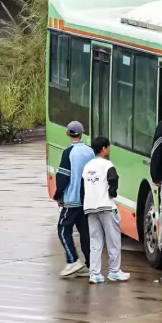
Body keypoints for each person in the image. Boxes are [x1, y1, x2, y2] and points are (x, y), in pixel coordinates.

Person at [80, 136, 128, 284]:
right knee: (113, 240)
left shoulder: (87, 166)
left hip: (90, 207)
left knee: (95, 241)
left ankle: (95, 274)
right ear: (104, 149)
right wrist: (112, 192)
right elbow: (114, 180)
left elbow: (82, 189)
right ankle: (114, 271)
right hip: (106, 206)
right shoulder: (107, 165)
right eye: (108, 147)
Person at [53, 121, 95, 277]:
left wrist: (58, 195)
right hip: (87, 200)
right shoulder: (90, 152)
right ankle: (91, 266)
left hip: (72, 199)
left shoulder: (68, 153)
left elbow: (63, 177)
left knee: (63, 229)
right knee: (85, 232)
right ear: (82, 133)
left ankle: (73, 261)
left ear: (67, 134)